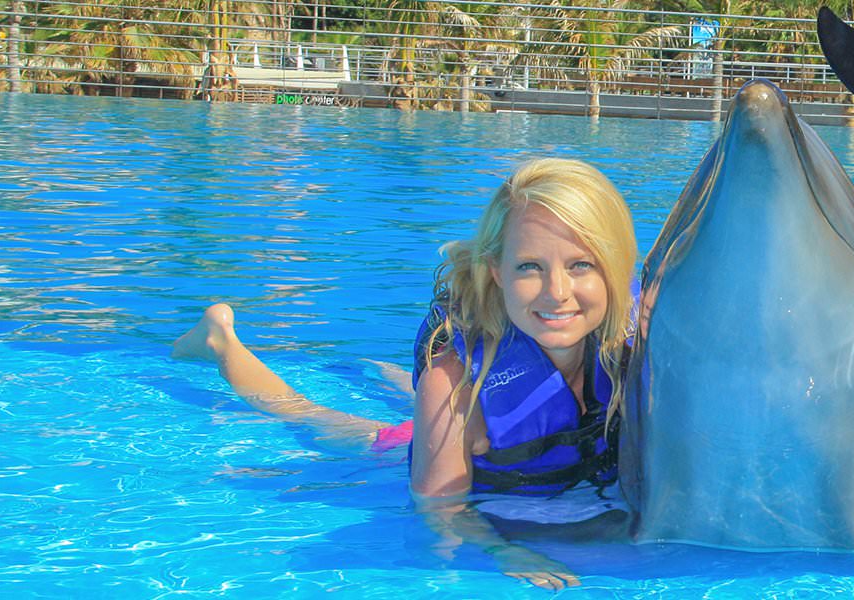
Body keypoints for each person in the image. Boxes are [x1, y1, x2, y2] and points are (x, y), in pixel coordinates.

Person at [172, 158, 638, 591]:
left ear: (614, 267)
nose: (558, 292)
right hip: (410, 447)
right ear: (496, 271)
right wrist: (502, 549)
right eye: (529, 267)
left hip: (510, 439)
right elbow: (441, 509)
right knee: (307, 415)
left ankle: (383, 373)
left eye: (582, 265)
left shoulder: (627, 347)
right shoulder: (455, 385)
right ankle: (221, 341)